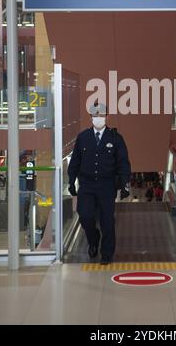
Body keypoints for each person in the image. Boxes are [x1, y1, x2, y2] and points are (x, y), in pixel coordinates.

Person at [67, 103, 131, 265]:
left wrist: (124, 185)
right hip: (87, 185)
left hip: (106, 185)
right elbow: (75, 161)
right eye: (95, 115)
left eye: (101, 115)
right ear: (91, 117)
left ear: (107, 116)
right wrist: (71, 181)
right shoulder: (83, 137)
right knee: (85, 216)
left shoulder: (115, 138)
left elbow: (123, 163)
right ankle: (93, 239)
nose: (98, 118)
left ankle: (107, 254)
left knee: (107, 222)